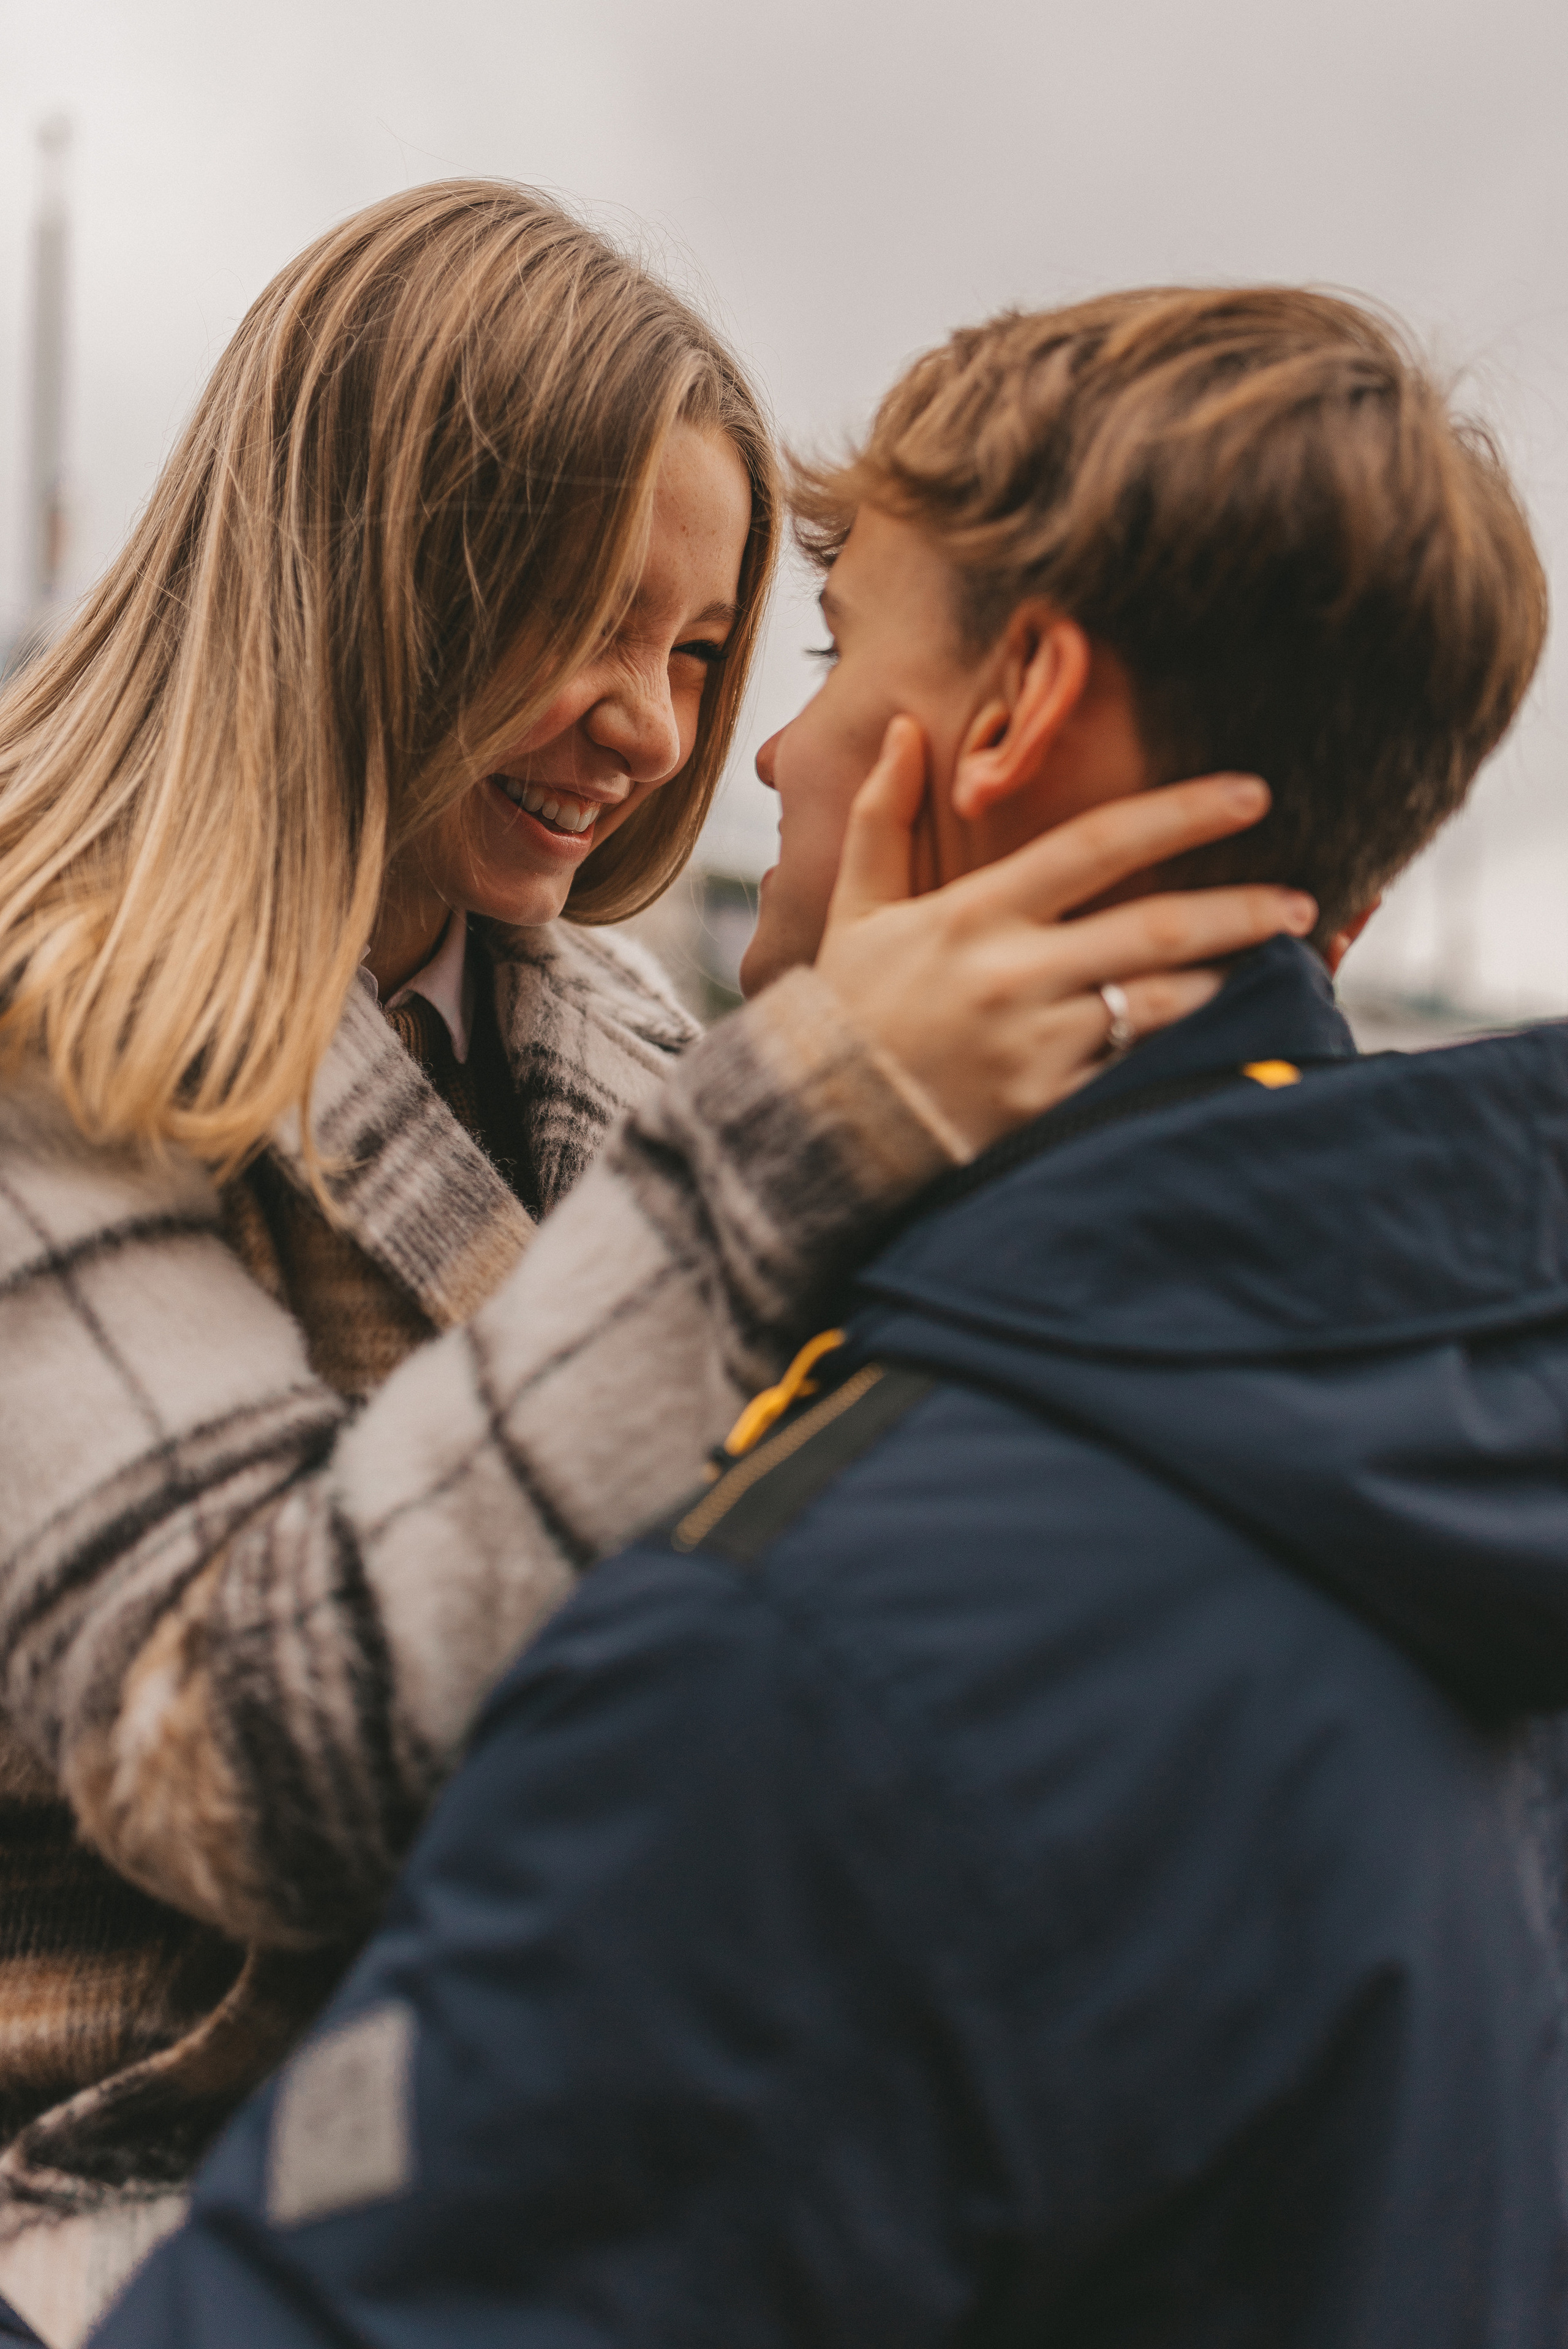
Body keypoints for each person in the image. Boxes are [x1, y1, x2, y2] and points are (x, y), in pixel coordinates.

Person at [90, 284, 1568, 2349]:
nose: (741, 744)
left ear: (1017, 706)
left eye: (803, 645)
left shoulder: (804, 1626)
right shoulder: (1446, 1431)